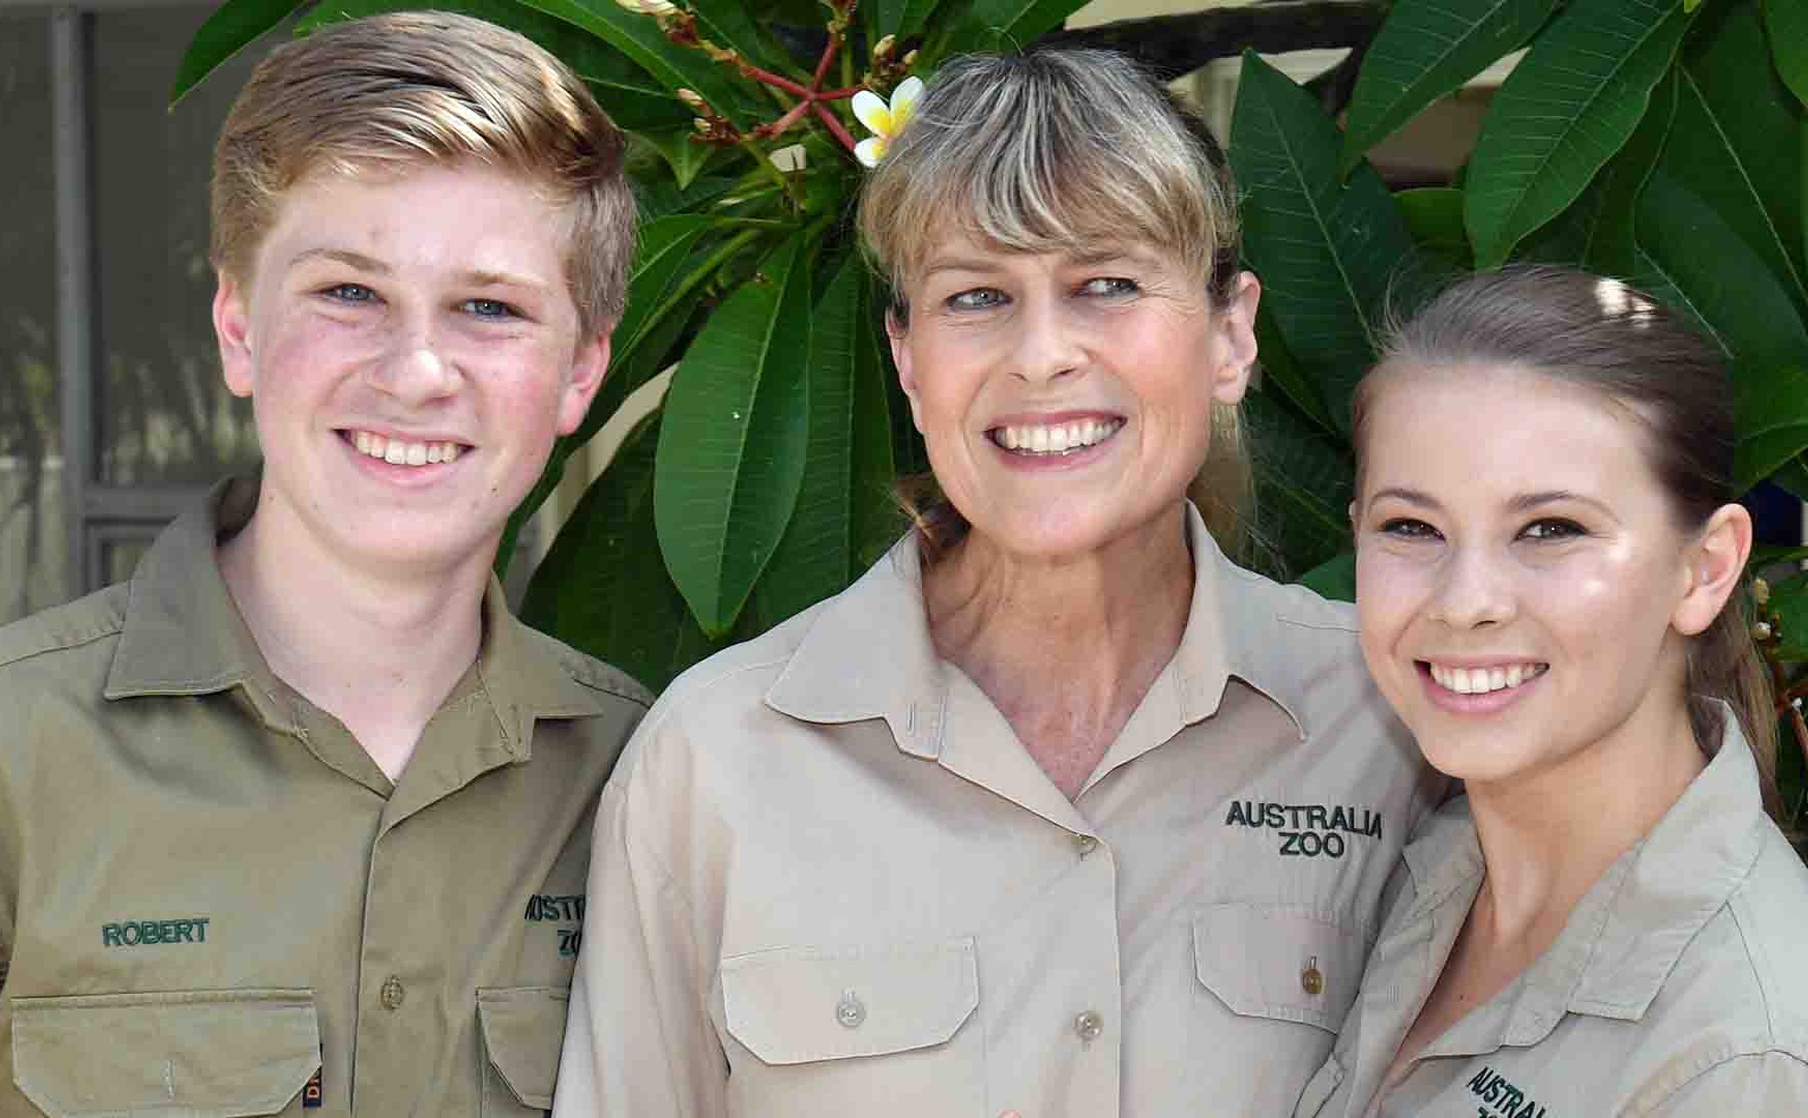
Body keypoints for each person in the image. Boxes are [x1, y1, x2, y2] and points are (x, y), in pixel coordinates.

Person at [552, 49, 1440, 1117]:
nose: (1040, 353)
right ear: (907, 359)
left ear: (1230, 334)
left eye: (1105, 284)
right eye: (976, 296)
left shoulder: (1389, 716)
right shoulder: (716, 756)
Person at [0, 12, 648, 1113]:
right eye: (349, 293)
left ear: (579, 374)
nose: (415, 372)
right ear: (236, 325)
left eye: (489, 308)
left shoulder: (646, 780)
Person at [1296, 266, 1808, 1116]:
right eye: (1412, 526)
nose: (1466, 601)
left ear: (1704, 570)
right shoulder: (1428, 868)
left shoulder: (1748, 1061)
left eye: (1551, 530)